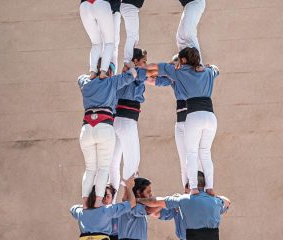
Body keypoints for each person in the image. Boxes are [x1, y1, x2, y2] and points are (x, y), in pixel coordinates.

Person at [147, 47, 219, 195]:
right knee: (205, 152)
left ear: (183, 60)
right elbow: (216, 69)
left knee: (191, 154)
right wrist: (207, 66)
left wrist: (136, 70)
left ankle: (193, 188)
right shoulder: (206, 72)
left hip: (193, 116)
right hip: (210, 116)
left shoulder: (179, 72)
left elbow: (153, 68)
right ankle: (209, 187)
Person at [137, 172, 230, 240]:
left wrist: (137, 200)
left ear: (190, 185)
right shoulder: (211, 201)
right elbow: (227, 202)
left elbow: (154, 203)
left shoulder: (182, 201)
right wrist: (212, 195)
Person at [78, 61, 139, 208]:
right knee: (104, 168)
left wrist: (93, 73)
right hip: (104, 126)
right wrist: (129, 66)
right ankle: (99, 203)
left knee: (90, 168)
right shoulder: (112, 81)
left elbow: (80, 77)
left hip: (86, 128)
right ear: (110, 72)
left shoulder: (85, 82)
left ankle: (85, 204)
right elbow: (132, 75)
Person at [109, 48, 148, 191]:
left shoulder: (124, 76)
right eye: (143, 62)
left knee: (113, 162)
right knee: (132, 160)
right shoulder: (133, 75)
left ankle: (112, 198)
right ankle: (128, 195)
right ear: (135, 61)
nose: (145, 65)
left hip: (118, 120)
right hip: (126, 120)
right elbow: (147, 74)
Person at [79, 0, 115, 79]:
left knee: (96, 44)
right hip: (101, 4)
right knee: (109, 43)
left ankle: (93, 73)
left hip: (84, 6)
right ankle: (103, 72)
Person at [120, 0, 145, 68]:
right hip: (129, 6)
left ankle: (132, 61)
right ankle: (127, 61)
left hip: (131, 7)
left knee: (135, 38)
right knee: (132, 36)